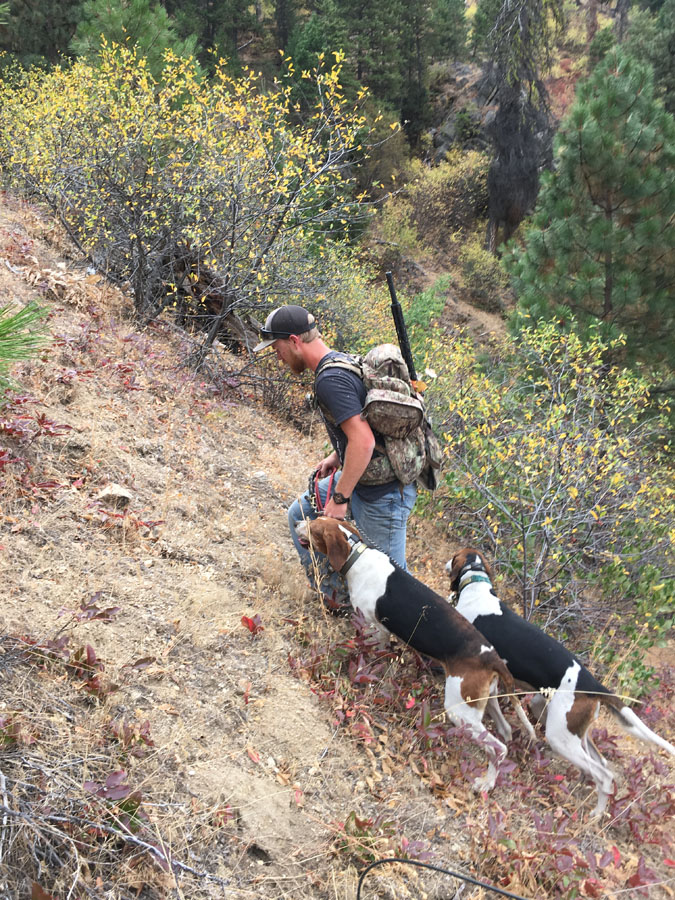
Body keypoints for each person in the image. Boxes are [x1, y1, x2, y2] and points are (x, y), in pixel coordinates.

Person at [253, 304, 417, 613]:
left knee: (396, 585)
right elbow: (362, 426)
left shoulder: (330, 379)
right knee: (300, 513)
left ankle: (422, 653)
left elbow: (365, 441)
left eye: (276, 347)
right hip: (364, 478)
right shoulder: (340, 361)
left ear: (293, 341)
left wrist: (340, 498)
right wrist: (336, 456)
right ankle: (339, 602)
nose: (277, 356)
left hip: (383, 494)